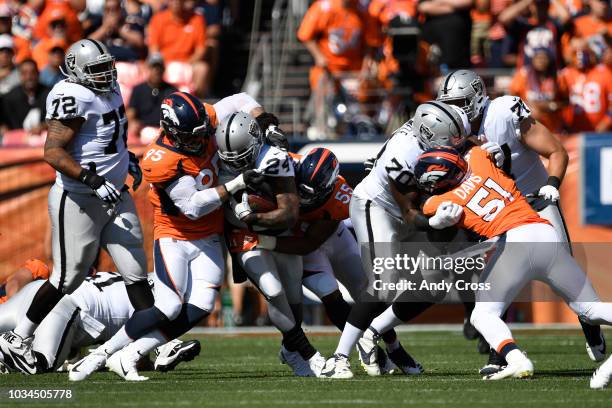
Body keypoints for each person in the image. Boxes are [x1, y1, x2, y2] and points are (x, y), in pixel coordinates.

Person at [68, 92, 285, 381]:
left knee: (202, 306)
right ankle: (101, 354)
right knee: (168, 305)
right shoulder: (161, 158)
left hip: (208, 237)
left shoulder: (201, 119)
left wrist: (265, 122)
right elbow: (194, 207)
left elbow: (240, 99)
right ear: (172, 131)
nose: (200, 141)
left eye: (201, 133)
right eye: (192, 137)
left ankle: (129, 355)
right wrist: (237, 182)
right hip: (175, 235)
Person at [0, 39, 153, 375]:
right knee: (68, 277)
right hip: (81, 198)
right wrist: (92, 180)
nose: (106, 74)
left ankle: (153, 342)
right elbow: (52, 152)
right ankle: (18, 336)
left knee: (136, 271)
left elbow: (107, 141)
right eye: (97, 69)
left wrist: (128, 162)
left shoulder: (109, 91)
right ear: (77, 70)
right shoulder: (72, 95)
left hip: (114, 192)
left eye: (106, 66)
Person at [414, 145, 612, 381]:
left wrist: (437, 221)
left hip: (514, 243)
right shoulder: (478, 156)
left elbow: (429, 218)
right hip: (544, 232)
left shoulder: (439, 202)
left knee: (482, 315)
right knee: (590, 309)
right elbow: (490, 152)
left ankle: (516, 359)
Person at [218, 113, 327, 377]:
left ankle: (290, 351)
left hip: (277, 228)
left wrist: (254, 216)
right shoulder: (216, 154)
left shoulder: (274, 157)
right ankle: (311, 355)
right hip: (242, 233)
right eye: (230, 159)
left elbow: (289, 213)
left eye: (243, 156)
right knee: (273, 289)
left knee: (293, 297)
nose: (237, 163)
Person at [0, 261, 199, 375]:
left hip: (45, 294)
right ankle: (167, 347)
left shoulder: (138, 284)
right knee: (41, 366)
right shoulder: (162, 298)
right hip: (67, 304)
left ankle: (167, 346)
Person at [148, 0, 208, 97]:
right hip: (164, 64)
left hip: (188, 63)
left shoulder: (196, 19)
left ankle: (196, 104)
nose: (176, 2)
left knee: (202, 68)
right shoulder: (158, 19)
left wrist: (186, 64)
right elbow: (153, 48)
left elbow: (201, 49)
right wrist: (160, 63)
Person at [127, 53, 176, 139]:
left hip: (165, 132)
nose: (157, 70)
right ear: (148, 68)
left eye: (159, 67)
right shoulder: (138, 89)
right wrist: (132, 122)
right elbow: (131, 113)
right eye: (153, 67)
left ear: (164, 69)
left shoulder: (172, 91)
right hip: (143, 130)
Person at [0, 59, 49, 133]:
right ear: (20, 75)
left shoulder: (50, 95)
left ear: (38, 74)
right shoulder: (9, 98)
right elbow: (4, 122)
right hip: (16, 142)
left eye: (32, 73)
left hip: (43, 141)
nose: (29, 77)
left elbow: (56, 121)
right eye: (24, 73)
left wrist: (44, 126)